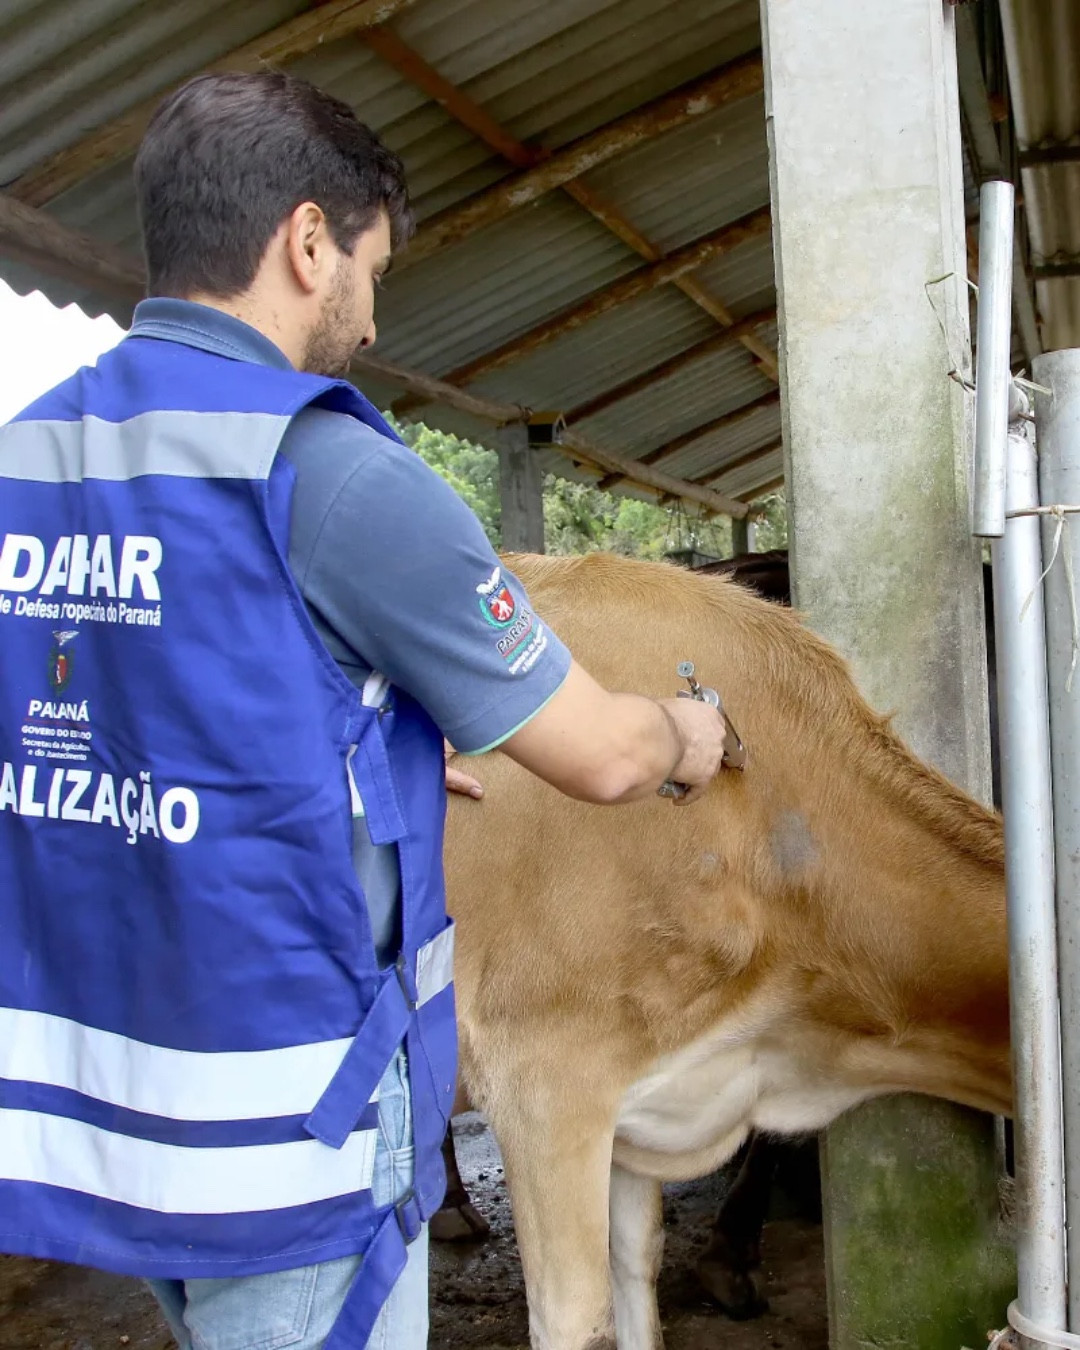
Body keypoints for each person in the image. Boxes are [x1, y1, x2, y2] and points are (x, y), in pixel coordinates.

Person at [0, 71, 728, 1350]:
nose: (374, 320)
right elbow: (604, 759)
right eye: (373, 270)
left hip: (103, 1115)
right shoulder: (330, 471)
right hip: (284, 1133)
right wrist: (691, 735)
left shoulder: (30, 454)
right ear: (306, 240)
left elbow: (113, 696)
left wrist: (356, 744)